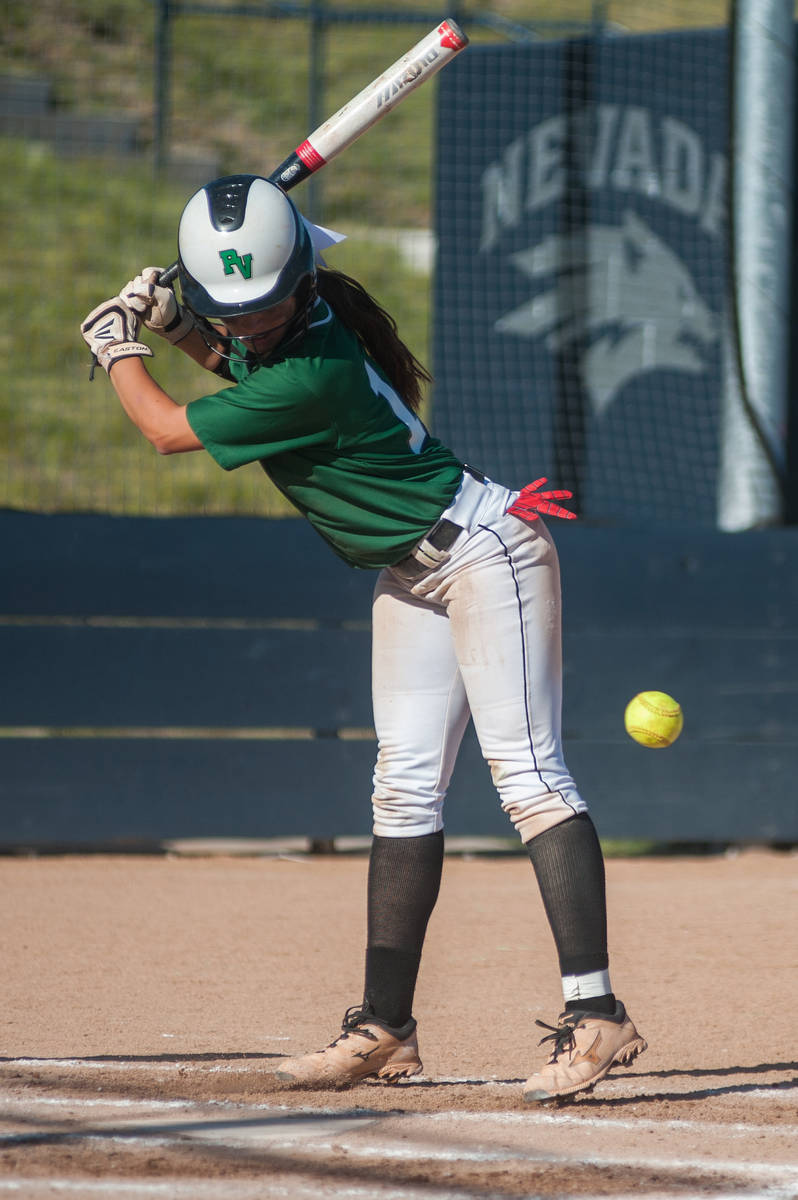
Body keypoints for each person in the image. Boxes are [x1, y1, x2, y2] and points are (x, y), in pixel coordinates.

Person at [81, 173, 646, 1102]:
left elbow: (165, 431)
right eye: (236, 310)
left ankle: (597, 1014)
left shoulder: (316, 368)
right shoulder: (293, 342)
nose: (249, 325)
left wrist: (116, 345)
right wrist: (183, 324)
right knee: (401, 787)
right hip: (414, 571)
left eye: (262, 306)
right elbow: (239, 371)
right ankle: (387, 1028)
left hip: (484, 556)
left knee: (530, 776)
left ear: (301, 282)